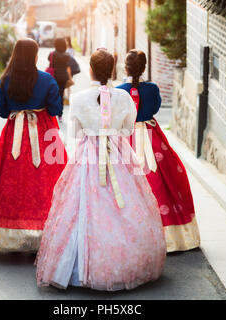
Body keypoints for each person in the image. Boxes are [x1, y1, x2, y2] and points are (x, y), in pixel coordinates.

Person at [36, 49, 166, 291]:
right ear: (113, 70)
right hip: (118, 152)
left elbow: (74, 133)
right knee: (126, 203)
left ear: (91, 70)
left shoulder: (79, 98)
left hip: (88, 155)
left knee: (81, 205)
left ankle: (80, 265)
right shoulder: (123, 98)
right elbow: (128, 129)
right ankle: (126, 262)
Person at [0, 39, 67, 252]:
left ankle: (9, 234)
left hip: (13, 136)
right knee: (45, 182)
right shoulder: (46, 80)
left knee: (10, 183)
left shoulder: (6, 80)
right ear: (35, 56)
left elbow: (2, 112)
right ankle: (46, 232)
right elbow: (54, 110)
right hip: (43, 134)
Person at [117, 50, 200, 252]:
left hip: (127, 138)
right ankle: (171, 235)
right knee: (162, 180)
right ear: (144, 68)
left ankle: (134, 234)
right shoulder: (152, 88)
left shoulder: (119, 91)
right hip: (152, 137)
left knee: (127, 182)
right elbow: (155, 107)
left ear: (125, 68)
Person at [48, 38, 74, 120]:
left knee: (52, 94)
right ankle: (60, 114)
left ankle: (52, 112)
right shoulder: (67, 55)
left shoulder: (52, 54)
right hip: (63, 76)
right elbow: (69, 65)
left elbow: (49, 60)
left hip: (53, 76)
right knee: (61, 94)